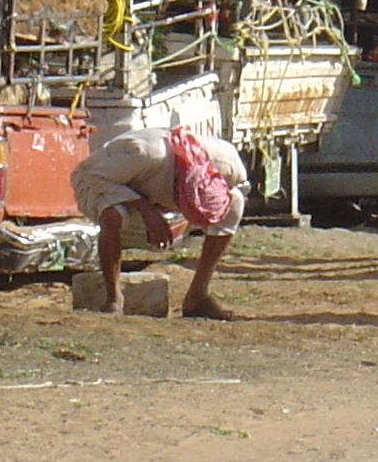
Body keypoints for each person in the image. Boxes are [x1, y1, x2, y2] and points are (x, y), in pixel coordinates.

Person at [70, 125, 249, 320]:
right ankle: (113, 298)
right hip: (100, 184)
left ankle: (197, 296)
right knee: (113, 215)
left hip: (156, 191)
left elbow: (241, 191)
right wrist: (147, 211)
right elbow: (93, 177)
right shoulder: (146, 155)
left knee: (235, 202)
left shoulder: (230, 165)